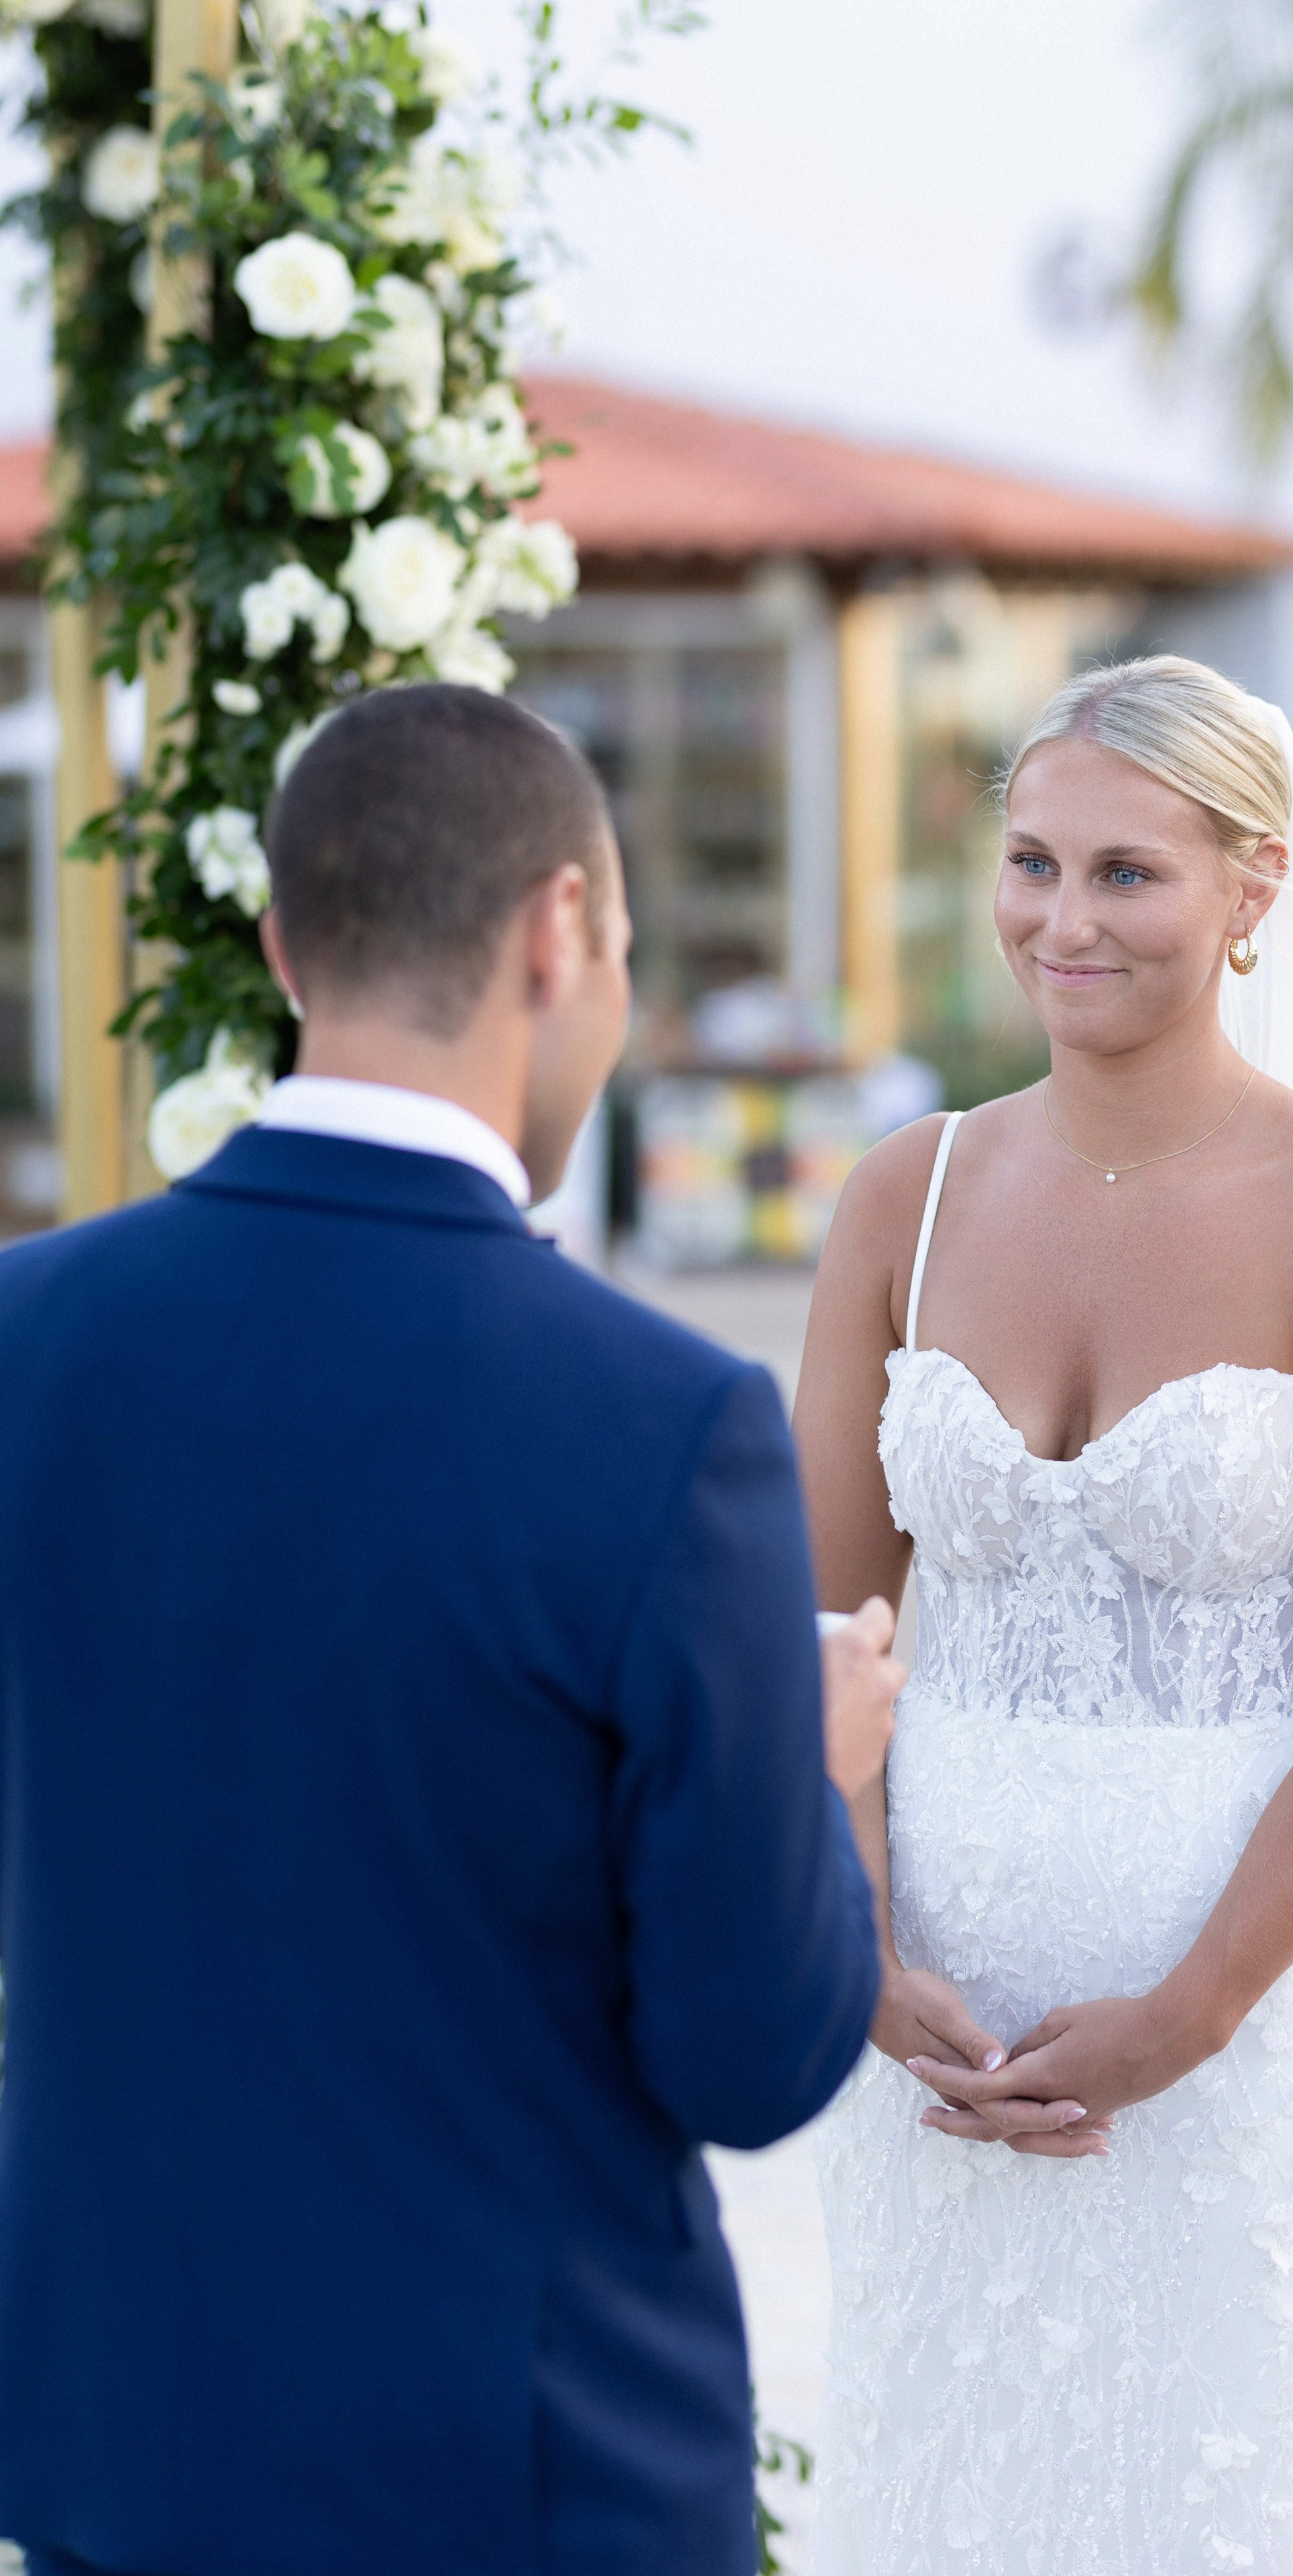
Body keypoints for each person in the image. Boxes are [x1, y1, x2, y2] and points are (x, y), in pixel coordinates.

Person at [0, 682, 899, 2576]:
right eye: (630, 948)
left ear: (279, 942)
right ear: (560, 930)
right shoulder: (666, 1430)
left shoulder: (30, 1343)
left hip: (111, 2458)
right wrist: (820, 1783)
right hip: (513, 2481)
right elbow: (751, 2057)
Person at [794, 655, 1293, 2574]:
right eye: (1032, 863)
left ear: (1256, 889)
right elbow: (825, 1623)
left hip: (1249, 2040)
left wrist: (1195, 2011)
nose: (1062, 919)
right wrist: (853, 1931)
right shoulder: (904, 1197)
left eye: (1129, 874)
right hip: (936, 2045)